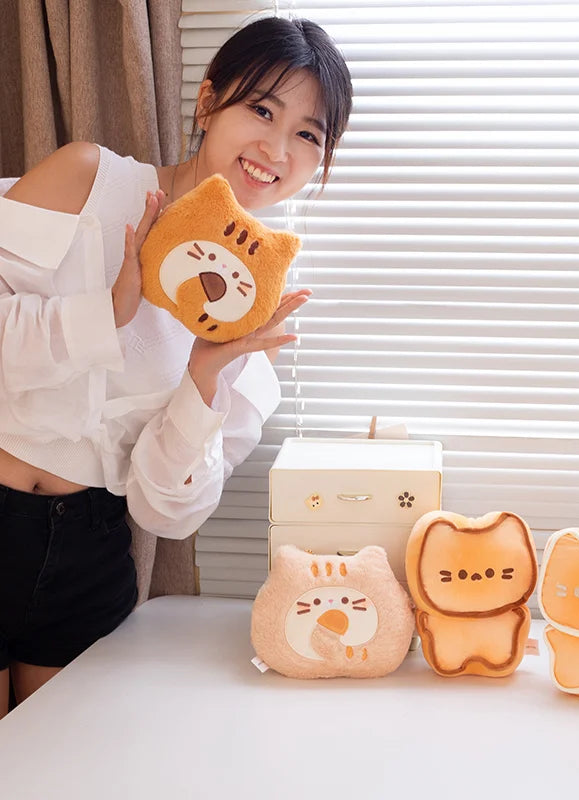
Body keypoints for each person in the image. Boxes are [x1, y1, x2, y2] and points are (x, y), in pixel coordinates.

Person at [0, 15, 352, 718]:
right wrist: (111, 311)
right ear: (207, 100)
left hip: (87, 553)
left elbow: (163, 513)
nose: (275, 148)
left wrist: (203, 379)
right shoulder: (87, 179)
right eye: (261, 109)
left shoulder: (252, 336)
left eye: (308, 135)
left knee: (52, 774)